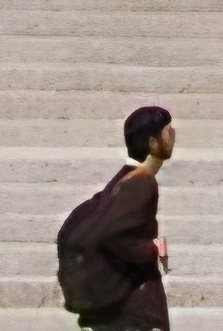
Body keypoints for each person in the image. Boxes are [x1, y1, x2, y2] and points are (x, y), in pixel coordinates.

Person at [64, 106, 177, 326]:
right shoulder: (141, 182)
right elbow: (115, 236)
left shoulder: (126, 179)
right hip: (131, 307)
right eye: (168, 132)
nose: (173, 136)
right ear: (154, 144)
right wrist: (153, 249)